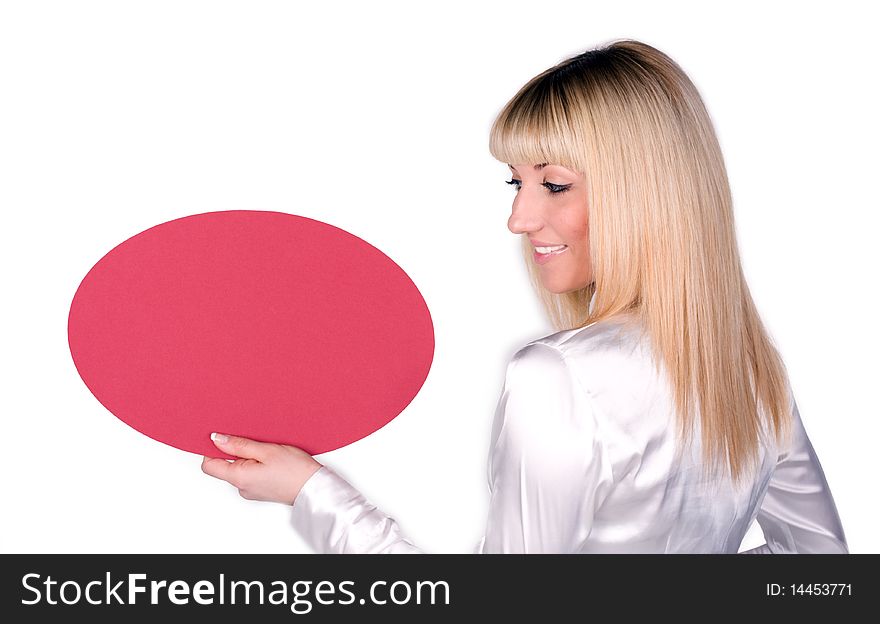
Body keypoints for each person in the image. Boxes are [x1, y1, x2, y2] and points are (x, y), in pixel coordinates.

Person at [201, 39, 848, 554]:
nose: (520, 218)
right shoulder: (748, 370)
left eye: (556, 185)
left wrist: (312, 494)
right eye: (515, 183)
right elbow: (821, 572)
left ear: (646, 193)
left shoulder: (559, 376)